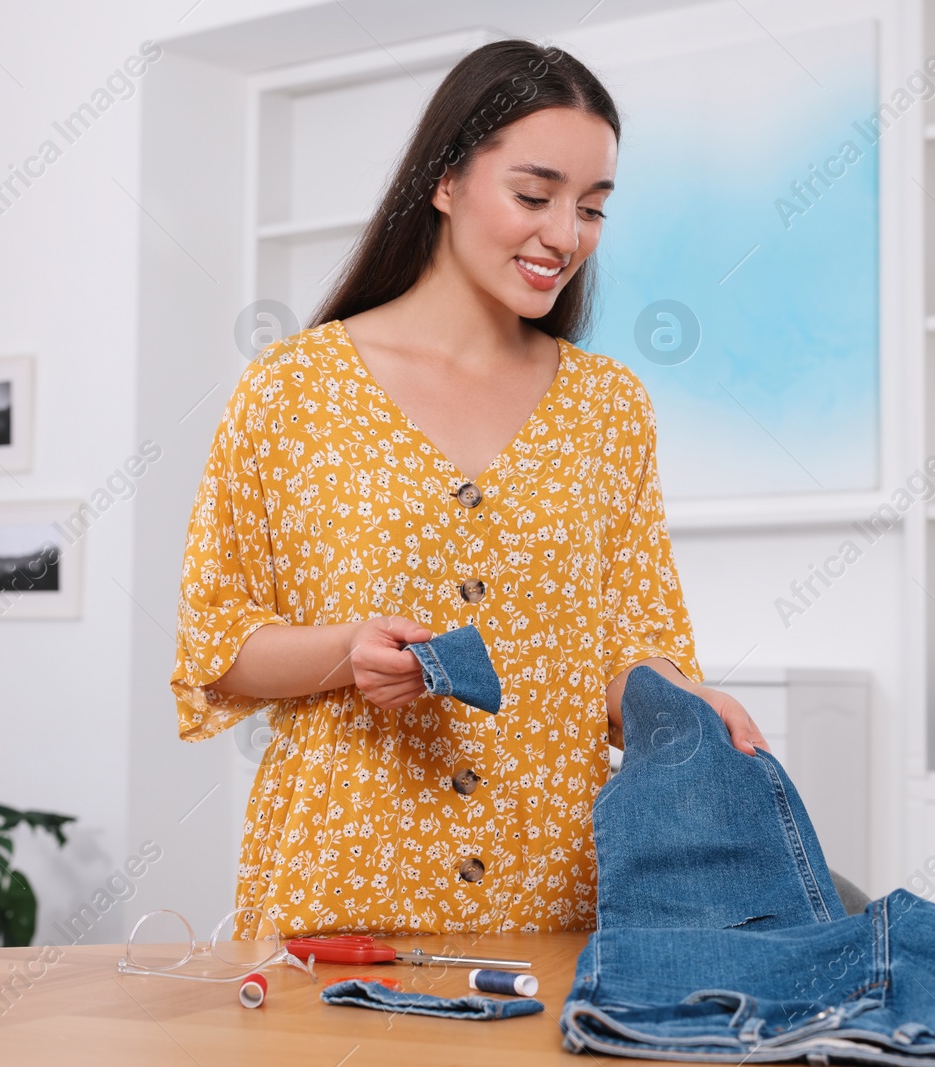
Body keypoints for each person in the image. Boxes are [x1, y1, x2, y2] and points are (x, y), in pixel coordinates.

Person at [170, 38, 767, 937]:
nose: (564, 236)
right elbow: (219, 643)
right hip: (345, 890)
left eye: (593, 208)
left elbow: (628, 646)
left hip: (552, 888)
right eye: (534, 196)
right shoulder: (293, 390)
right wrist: (347, 650)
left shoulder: (608, 409)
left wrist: (684, 704)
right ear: (445, 181)